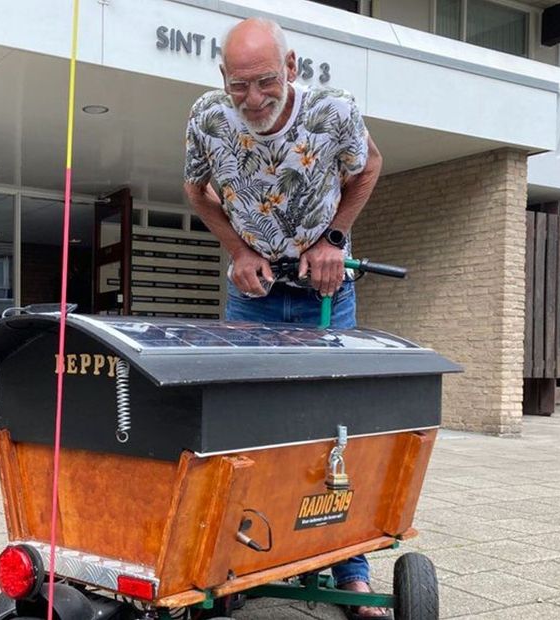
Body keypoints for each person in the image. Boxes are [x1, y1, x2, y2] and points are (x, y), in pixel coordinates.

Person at [182, 17, 386, 619]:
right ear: (223, 78)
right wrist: (239, 251)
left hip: (325, 288)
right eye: (239, 85)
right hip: (254, 293)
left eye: (266, 81)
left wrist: (335, 237)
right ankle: (240, 560)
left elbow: (368, 166)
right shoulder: (207, 119)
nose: (253, 99)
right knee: (245, 424)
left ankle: (350, 567)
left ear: (291, 68)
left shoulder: (334, 111)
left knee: (336, 422)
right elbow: (197, 192)